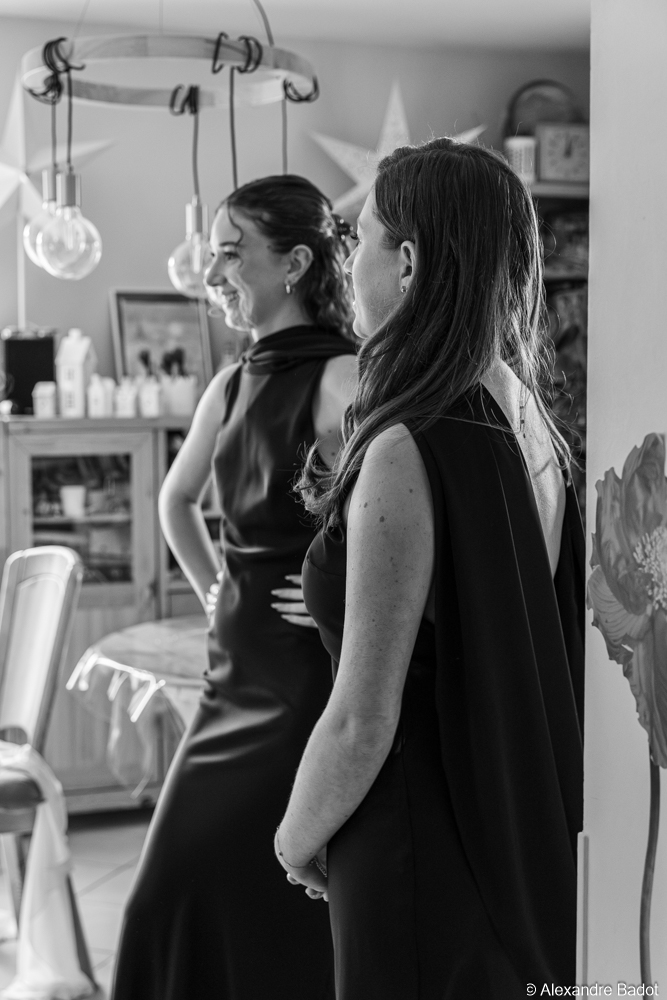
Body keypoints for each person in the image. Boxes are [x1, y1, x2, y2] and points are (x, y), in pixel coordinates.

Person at [274, 138, 585, 999]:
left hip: (415, 842)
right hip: (506, 838)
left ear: (407, 263)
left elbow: (362, 716)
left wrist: (294, 838)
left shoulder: (408, 446)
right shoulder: (529, 423)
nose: (348, 264)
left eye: (359, 238)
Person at [111, 175, 357, 1000]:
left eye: (228, 253)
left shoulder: (343, 379)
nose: (211, 273)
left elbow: (404, 515)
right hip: (231, 675)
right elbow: (173, 501)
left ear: (294, 264)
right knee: (168, 897)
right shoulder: (230, 383)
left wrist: (338, 590)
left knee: (263, 897)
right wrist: (215, 588)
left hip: (301, 684)